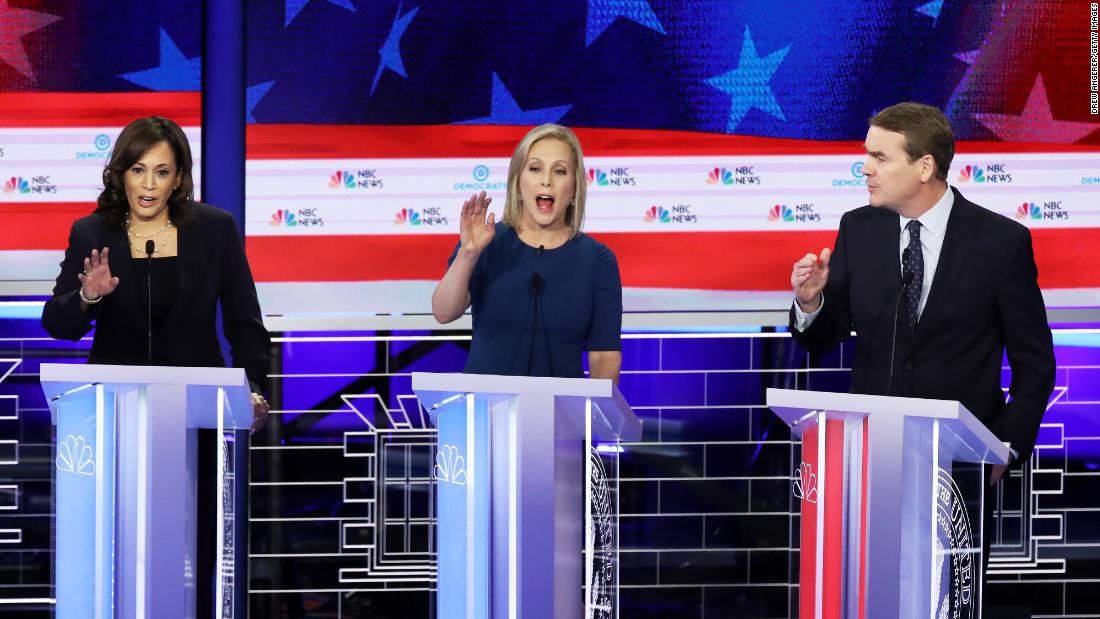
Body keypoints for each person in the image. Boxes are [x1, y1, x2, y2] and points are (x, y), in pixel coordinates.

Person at [788, 102, 1055, 609]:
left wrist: (1003, 447)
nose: (864, 168)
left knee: (946, 601)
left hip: (959, 466)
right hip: (867, 458)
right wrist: (811, 301)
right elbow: (825, 337)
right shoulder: (859, 229)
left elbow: (1035, 362)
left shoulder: (1000, 243)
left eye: (880, 157)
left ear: (924, 166)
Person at [41, 116, 271, 431]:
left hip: (198, 407)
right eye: (138, 170)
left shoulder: (215, 230)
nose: (149, 184)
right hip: (114, 409)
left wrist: (253, 389)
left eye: (161, 172)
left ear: (177, 179)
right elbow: (56, 323)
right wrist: (87, 296)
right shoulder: (93, 232)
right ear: (122, 176)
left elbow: (244, 322)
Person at [432, 123, 622, 382]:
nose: (546, 180)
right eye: (535, 168)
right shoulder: (487, 242)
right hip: (485, 410)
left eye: (559, 171)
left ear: (575, 185)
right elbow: (444, 312)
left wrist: (596, 418)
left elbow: (603, 355)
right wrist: (468, 253)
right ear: (518, 181)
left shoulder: (598, 260)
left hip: (562, 414)